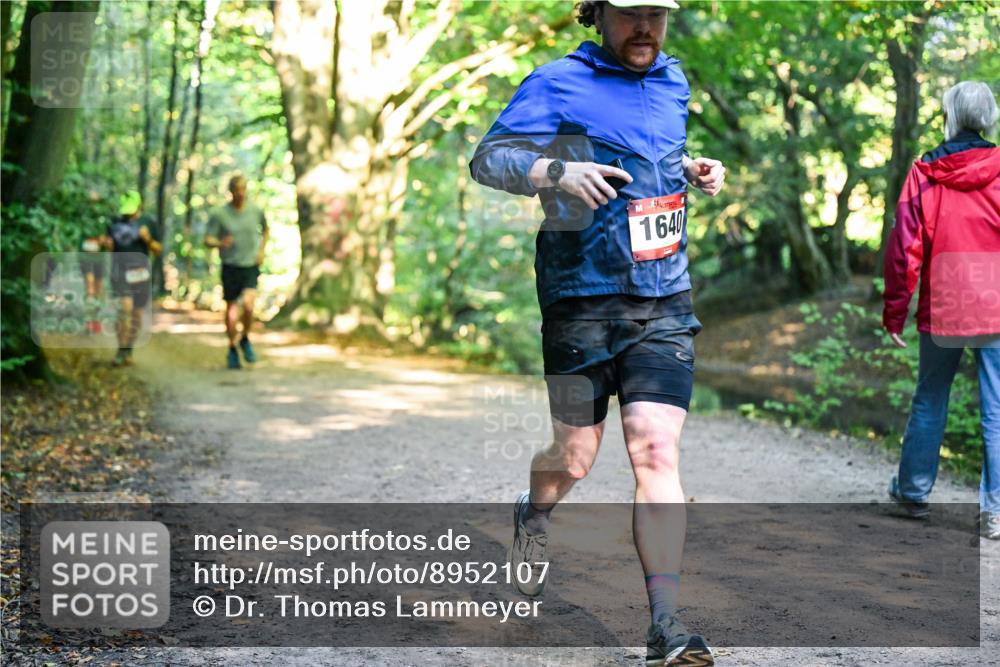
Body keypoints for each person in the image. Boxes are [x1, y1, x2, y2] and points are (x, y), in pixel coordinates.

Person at [470, 1, 725, 664]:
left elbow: (649, 156)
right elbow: (488, 159)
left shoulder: (673, 82)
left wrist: (692, 169)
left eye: (656, 14)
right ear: (598, 13)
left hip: (663, 300)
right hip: (579, 301)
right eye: (631, 13)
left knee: (656, 451)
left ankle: (665, 624)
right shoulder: (557, 80)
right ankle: (533, 512)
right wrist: (557, 170)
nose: (645, 26)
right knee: (574, 457)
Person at [883, 80, 1000, 540]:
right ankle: (994, 511)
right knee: (997, 408)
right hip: (996, 305)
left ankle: (913, 494)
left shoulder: (925, 172)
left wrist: (895, 312)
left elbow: (904, 248)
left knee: (930, 398)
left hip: (946, 303)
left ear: (949, 116)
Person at [205, 174, 269, 370]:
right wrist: (219, 243)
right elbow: (207, 239)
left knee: (249, 305)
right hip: (231, 265)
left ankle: (245, 339)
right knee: (232, 310)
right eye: (237, 190)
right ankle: (232, 348)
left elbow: (266, 230)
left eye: (243, 189)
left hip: (250, 265)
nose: (240, 193)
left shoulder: (255, 210)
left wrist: (261, 251)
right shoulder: (220, 215)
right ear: (231, 191)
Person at [104, 190, 160, 367]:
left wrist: (148, 239)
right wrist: (107, 245)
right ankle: (121, 349)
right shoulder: (114, 223)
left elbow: (158, 249)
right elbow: (107, 247)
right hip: (119, 271)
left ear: (139, 206)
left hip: (140, 273)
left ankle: (128, 349)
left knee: (137, 314)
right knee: (124, 307)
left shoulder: (148, 222)